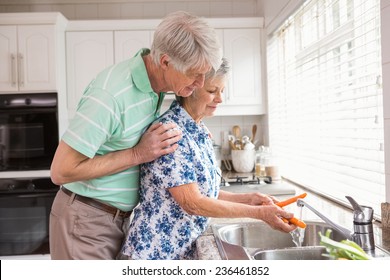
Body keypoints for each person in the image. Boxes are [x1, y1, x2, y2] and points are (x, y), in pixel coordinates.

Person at [49, 11, 223, 260]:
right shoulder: (110, 94)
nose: (201, 82)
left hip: (117, 221)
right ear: (165, 62)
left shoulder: (157, 87)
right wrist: (138, 153)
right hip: (85, 221)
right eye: (195, 73)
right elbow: (61, 170)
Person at [120, 58, 297, 260]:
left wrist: (251, 199)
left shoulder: (199, 130)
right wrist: (260, 214)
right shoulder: (170, 133)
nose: (220, 98)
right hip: (154, 255)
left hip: (177, 252)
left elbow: (204, 191)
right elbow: (193, 202)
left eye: (222, 91)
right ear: (190, 89)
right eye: (213, 91)